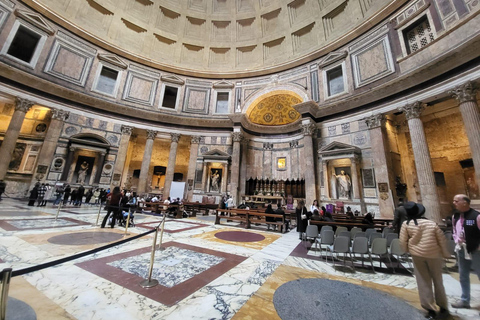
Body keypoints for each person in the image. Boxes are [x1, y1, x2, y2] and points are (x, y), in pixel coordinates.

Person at [399, 202, 450, 319]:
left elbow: (402, 241)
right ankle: (443, 307)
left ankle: (430, 309)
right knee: (438, 281)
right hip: (434, 255)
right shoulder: (431, 223)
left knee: (423, 281)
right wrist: (446, 253)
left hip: (417, 255)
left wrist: (408, 250)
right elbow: (441, 239)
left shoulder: (406, 224)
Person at [451, 194, 480, 309]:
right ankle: (465, 300)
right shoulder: (455, 216)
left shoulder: (476, 216)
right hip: (462, 249)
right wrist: (457, 240)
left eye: (456, 201)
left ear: (465, 202)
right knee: (463, 275)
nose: (454, 203)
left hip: (476, 250)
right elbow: (454, 231)